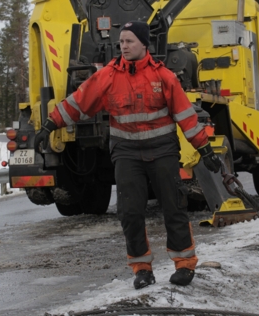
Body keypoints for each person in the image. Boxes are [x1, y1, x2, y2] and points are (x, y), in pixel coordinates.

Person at [38, 21, 221, 289]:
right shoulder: (108, 76)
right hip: (126, 154)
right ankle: (141, 268)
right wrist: (50, 124)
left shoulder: (164, 77)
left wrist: (205, 149)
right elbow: (78, 102)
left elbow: (186, 117)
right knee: (130, 212)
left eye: (129, 41)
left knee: (174, 207)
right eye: (121, 41)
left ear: (144, 44)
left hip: (163, 152)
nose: (123, 46)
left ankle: (184, 265)